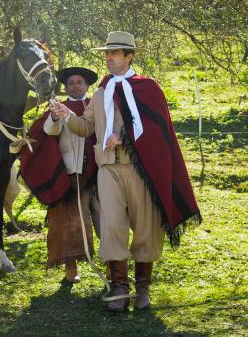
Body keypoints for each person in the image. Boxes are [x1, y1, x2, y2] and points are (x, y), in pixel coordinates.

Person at [50, 31, 201, 311]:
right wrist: (67, 116)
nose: (108, 58)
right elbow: (86, 128)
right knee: (111, 227)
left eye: (114, 53)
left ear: (129, 56)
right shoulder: (100, 92)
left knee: (145, 226)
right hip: (108, 169)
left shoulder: (149, 89)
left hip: (140, 169)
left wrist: (125, 137)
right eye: (107, 53)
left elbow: (156, 131)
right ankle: (119, 285)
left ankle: (143, 286)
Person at [19, 67, 100, 283]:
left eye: (79, 82)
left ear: (87, 85)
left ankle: (113, 267)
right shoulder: (58, 108)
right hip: (71, 172)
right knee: (68, 222)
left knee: (106, 220)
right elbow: (48, 132)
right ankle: (70, 269)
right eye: (71, 82)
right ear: (65, 87)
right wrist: (55, 117)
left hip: (99, 172)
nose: (75, 85)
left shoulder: (96, 106)